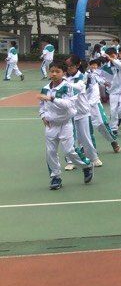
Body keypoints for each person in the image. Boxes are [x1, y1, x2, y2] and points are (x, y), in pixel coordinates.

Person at [38, 61, 94, 190]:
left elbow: (68, 104)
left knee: (69, 151)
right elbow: (42, 105)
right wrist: (42, 115)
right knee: (50, 152)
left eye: (57, 71)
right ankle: (55, 177)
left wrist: (52, 99)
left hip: (66, 124)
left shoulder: (68, 87)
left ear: (63, 73)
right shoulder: (45, 88)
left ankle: (86, 165)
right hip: (51, 125)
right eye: (52, 71)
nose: (54, 74)